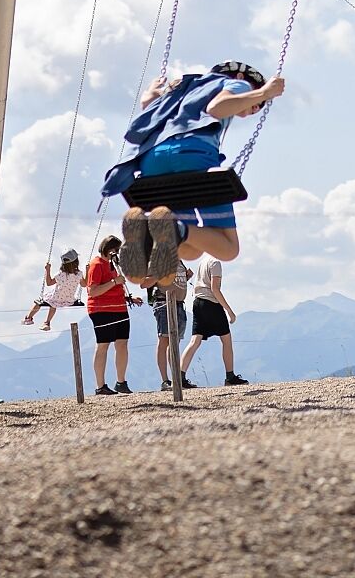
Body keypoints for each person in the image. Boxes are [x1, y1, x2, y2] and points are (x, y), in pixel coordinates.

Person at [107, 61, 286, 288]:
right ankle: (173, 228)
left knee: (190, 251)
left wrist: (151, 94)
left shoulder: (183, 89)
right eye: (256, 104)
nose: (253, 108)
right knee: (229, 248)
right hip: (191, 155)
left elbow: (149, 106)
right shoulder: (235, 83)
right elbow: (217, 108)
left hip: (151, 158)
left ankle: (150, 235)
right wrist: (264, 92)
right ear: (241, 75)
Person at [85, 235, 141, 395]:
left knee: (122, 344)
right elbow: (93, 291)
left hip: (119, 308)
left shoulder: (112, 265)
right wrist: (114, 282)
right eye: (117, 251)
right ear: (110, 250)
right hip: (102, 310)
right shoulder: (96, 264)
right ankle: (100, 386)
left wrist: (128, 298)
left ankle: (121, 382)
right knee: (103, 345)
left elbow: (113, 287)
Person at [181, 254, 247, 387]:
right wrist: (229, 310)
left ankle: (180, 377)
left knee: (195, 341)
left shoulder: (203, 261)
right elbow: (215, 289)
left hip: (197, 303)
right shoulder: (215, 263)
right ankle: (230, 376)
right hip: (211, 303)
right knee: (226, 339)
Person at [152, 261, 194, 389]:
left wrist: (186, 277)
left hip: (179, 303)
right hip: (164, 303)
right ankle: (165, 380)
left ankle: (176, 378)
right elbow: (145, 282)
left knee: (174, 342)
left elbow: (175, 280)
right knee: (164, 340)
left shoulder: (179, 260)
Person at [22, 249, 84, 329]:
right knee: (54, 303)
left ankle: (29, 318)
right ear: (76, 262)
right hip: (69, 300)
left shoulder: (60, 274)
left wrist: (48, 270)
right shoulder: (79, 274)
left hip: (56, 298)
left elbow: (49, 283)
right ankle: (46, 323)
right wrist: (88, 270)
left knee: (40, 302)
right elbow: (84, 285)